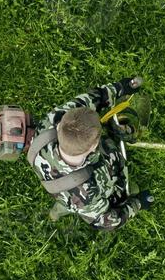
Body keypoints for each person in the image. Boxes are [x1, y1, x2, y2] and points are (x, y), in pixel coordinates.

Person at [28, 76, 154, 230]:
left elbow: (90, 99)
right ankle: (65, 208)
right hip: (82, 196)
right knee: (129, 191)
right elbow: (105, 221)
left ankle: (58, 211)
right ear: (94, 145)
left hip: (58, 187)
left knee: (66, 202)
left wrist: (122, 87)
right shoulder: (87, 195)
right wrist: (137, 204)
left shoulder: (49, 124)